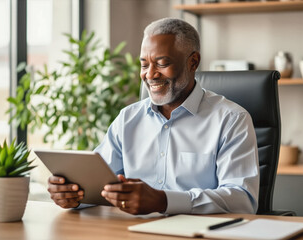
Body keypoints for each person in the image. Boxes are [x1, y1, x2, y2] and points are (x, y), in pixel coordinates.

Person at [48, 18, 259, 215]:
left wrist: (164, 201)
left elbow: (242, 200)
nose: (149, 75)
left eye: (161, 63)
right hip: (131, 233)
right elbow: (96, 183)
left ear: (193, 62)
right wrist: (73, 194)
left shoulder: (232, 119)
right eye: (144, 64)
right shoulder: (128, 119)